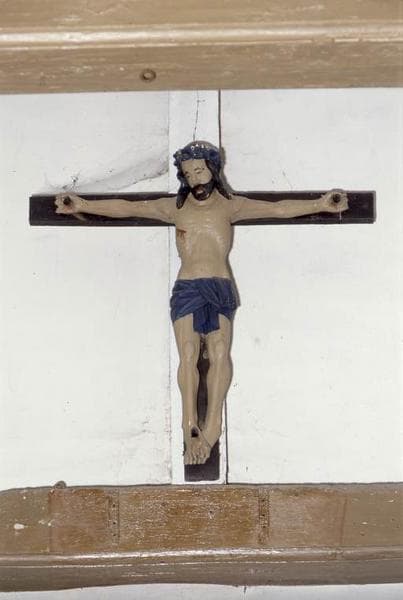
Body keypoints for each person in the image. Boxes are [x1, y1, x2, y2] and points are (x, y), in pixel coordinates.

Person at [55, 141, 348, 465]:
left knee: (220, 351)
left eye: (199, 170)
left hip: (220, 285)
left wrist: (321, 204)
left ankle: (212, 427)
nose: (195, 179)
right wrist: (81, 203)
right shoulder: (175, 208)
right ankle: (189, 426)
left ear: (213, 170)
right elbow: (128, 207)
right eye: (188, 173)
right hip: (188, 287)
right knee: (188, 353)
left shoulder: (231, 206)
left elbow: (278, 208)